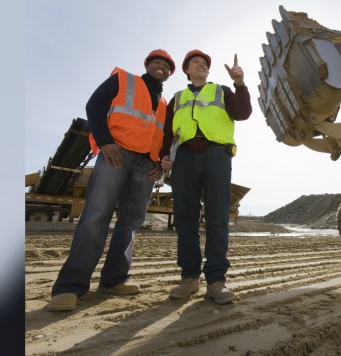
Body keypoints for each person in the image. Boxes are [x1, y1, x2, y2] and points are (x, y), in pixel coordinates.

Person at [46, 49, 175, 311]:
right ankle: (70, 287)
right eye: (157, 62)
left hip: (146, 166)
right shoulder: (123, 80)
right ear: (147, 64)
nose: (161, 67)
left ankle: (114, 280)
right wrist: (105, 142)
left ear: (170, 73)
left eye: (166, 66)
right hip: (115, 155)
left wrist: (159, 166)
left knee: (130, 222)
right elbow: (94, 105)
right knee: (96, 217)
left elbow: (165, 137)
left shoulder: (164, 104)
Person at [160, 49, 252, 304]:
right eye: (195, 62)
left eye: (204, 63)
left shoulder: (222, 90)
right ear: (187, 70)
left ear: (208, 71)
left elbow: (243, 113)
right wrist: (163, 156)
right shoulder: (177, 98)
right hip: (184, 160)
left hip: (216, 157)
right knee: (185, 220)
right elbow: (167, 132)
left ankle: (216, 281)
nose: (200, 65)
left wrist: (239, 83)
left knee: (217, 218)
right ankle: (189, 279)